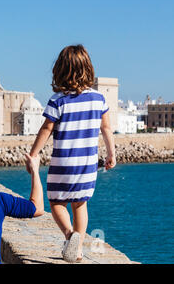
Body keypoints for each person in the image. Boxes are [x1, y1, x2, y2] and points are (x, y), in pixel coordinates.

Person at [28, 45, 116, 263]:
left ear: (60, 70)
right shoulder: (99, 99)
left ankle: (69, 235)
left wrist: (34, 153)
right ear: (88, 68)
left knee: (57, 203)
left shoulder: (58, 100)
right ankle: (77, 251)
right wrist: (111, 153)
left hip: (63, 163)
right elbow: (106, 128)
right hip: (87, 165)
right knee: (80, 204)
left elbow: (46, 128)